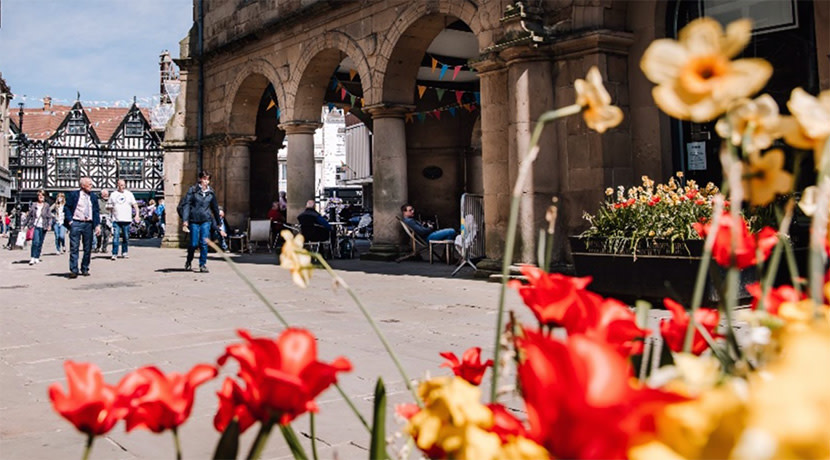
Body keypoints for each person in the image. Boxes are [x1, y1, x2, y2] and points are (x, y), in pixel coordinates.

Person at [181, 170, 226, 272]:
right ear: (200, 179)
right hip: (194, 220)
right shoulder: (193, 190)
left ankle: (203, 264)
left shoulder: (211, 192)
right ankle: (189, 260)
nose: (206, 181)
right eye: (204, 179)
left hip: (206, 220)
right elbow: (187, 205)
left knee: (204, 243)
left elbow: (214, 208)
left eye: (208, 179)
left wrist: (219, 222)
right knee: (193, 243)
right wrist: (185, 220)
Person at [64, 177, 101, 278]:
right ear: (83, 185)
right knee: (74, 247)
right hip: (76, 222)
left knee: (87, 248)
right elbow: (67, 207)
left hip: (88, 224)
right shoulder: (74, 195)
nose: (91, 186)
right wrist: (70, 221)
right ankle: (73, 270)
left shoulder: (93, 197)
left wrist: (97, 225)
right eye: (89, 184)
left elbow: (96, 211)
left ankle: (85, 268)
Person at [109, 179, 140, 260]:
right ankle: (114, 253)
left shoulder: (129, 194)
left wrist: (137, 215)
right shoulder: (113, 194)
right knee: (116, 237)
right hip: (116, 219)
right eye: (121, 185)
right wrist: (110, 209)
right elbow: (108, 205)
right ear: (117, 185)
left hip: (126, 219)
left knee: (126, 237)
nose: (123, 187)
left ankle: (124, 252)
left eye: (124, 185)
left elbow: (135, 205)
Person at [23, 190, 54, 265]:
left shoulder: (46, 206)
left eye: (42, 195)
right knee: (35, 242)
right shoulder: (34, 205)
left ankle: (37, 256)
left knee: (40, 242)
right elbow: (29, 215)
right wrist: (24, 225)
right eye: (39, 195)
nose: (41, 197)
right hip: (35, 225)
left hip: (43, 226)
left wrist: (49, 225)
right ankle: (32, 257)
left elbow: (49, 217)